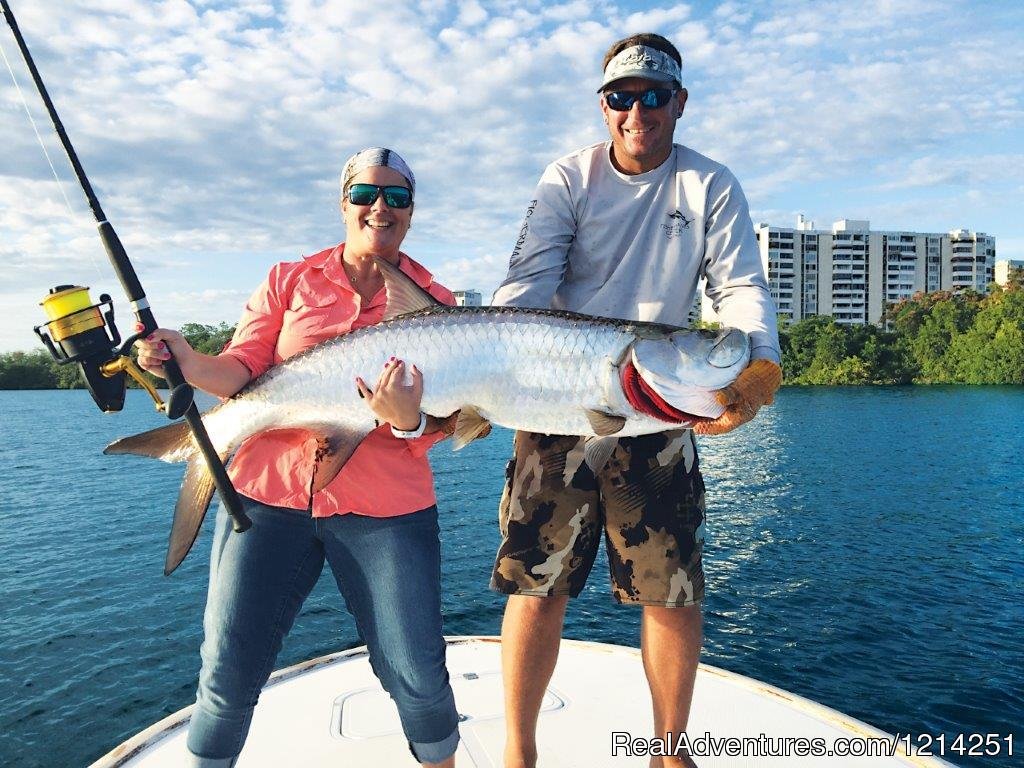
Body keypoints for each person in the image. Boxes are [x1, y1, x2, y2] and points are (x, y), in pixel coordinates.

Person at [490, 34, 783, 768]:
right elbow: (524, 286)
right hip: (556, 403)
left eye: (655, 97)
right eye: (622, 97)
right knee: (535, 585)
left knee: (672, 590)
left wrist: (760, 364)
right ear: (603, 105)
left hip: (662, 408)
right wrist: (483, 373)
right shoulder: (569, 178)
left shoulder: (709, 184)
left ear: (680, 103)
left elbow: (739, 286)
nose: (637, 112)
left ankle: (669, 753)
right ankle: (519, 752)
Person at [135, 148, 461, 767]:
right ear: (344, 203)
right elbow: (242, 368)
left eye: (397, 197)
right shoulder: (289, 280)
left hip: (387, 510)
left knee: (418, 673)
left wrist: (410, 421)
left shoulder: (437, 300)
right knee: (226, 674)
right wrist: (186, 360)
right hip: (264, 499)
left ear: (412, 212)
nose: (380, 208)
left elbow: (449, 421)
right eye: (366, 194)